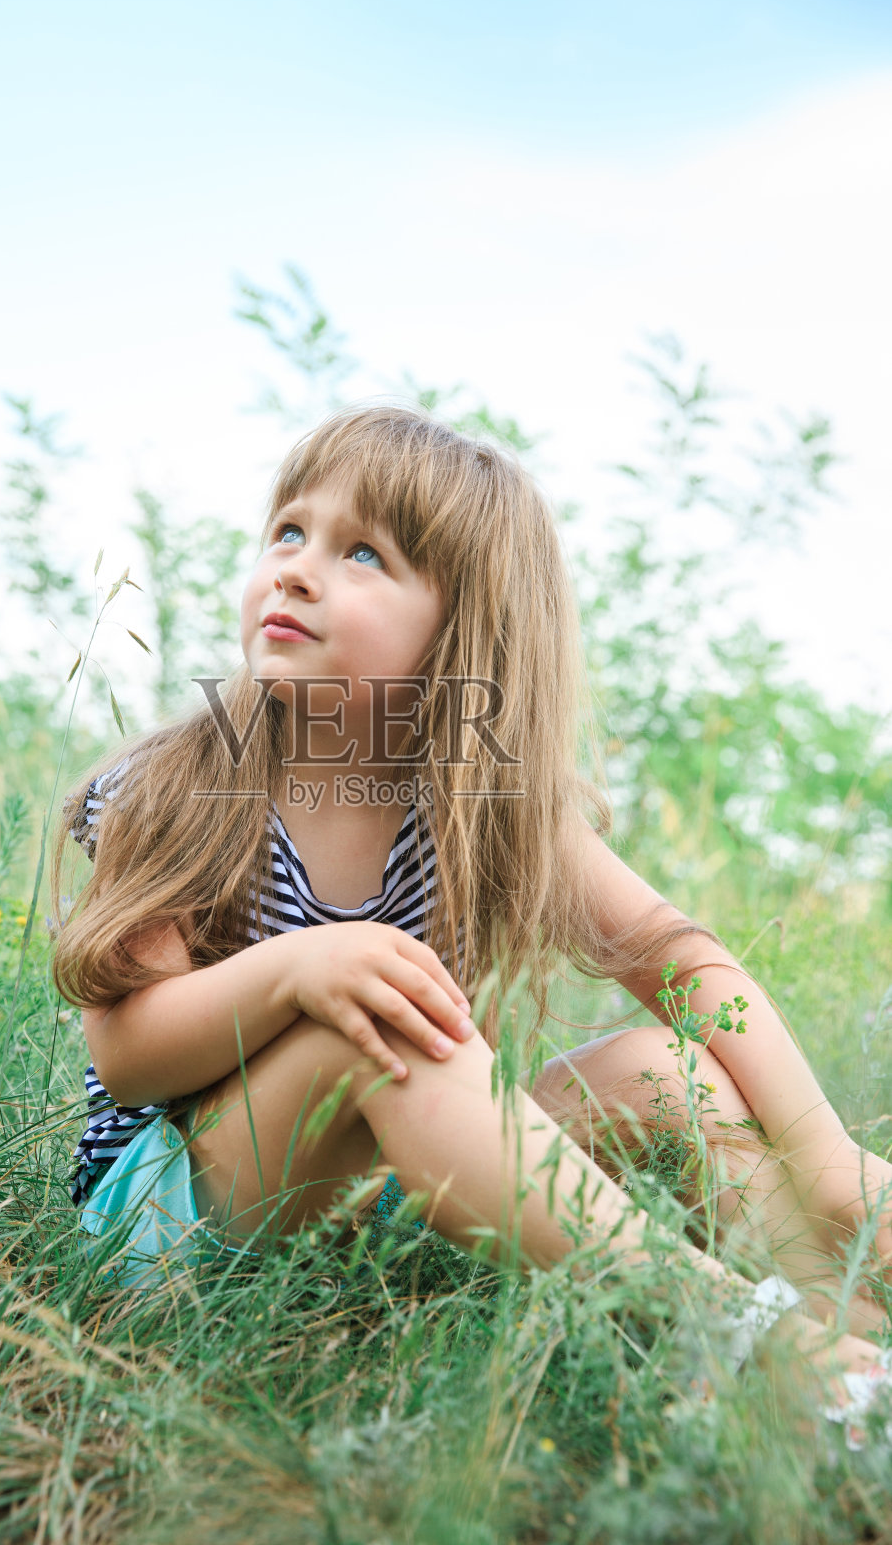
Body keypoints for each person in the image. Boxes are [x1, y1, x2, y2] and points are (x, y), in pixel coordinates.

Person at [52, 403, 890, 1438]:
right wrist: (298, 971)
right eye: (288, 531)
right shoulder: (177, 786)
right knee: (382, 1022)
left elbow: (678, 956)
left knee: (658, 1070)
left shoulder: (486, 804)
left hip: (405, 1205)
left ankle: (853, 1367)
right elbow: (129, 1057)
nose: (296, 569)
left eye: (362, 552)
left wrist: (826, 1162)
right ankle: (742, 1336)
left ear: (458, 631)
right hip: (180, 1220)